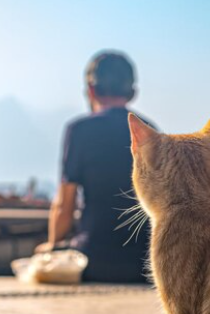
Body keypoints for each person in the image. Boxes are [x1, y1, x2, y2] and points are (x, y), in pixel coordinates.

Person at [37, 51, 155, 283]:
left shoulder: (79, 130)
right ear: (133, 92)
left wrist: (52, 248)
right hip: (144, 264)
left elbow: (64, 205)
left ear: (90, 90)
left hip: (93, 259)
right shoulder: (149, 130)